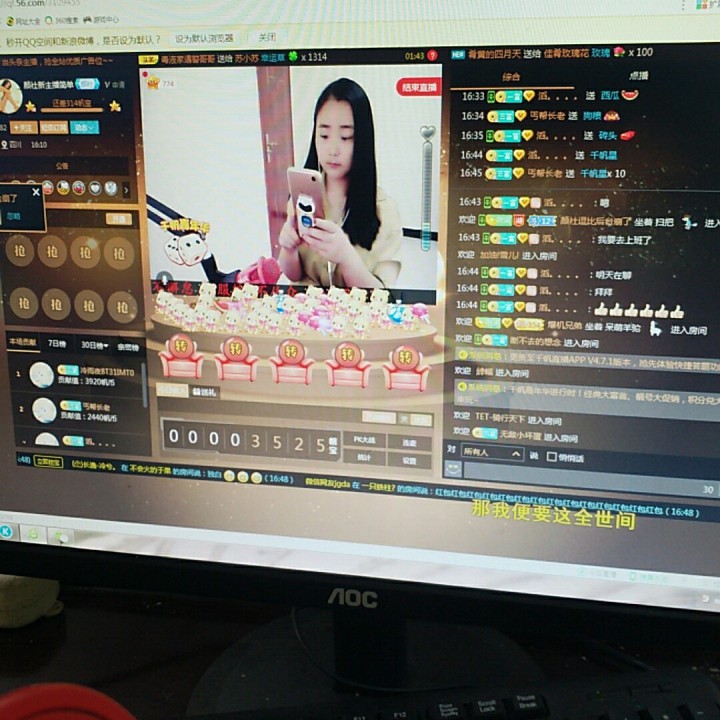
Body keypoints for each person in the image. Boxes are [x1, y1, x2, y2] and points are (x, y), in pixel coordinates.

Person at [278, 78, 402, 288]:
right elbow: (294, 275)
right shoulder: (303, 198)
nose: (332, 149)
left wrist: (346, 257)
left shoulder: (385, 211)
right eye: (324, 135)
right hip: (306, 306)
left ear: (362, 140)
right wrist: (287, 248)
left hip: (356, 309)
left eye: (345, 137)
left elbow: (383, 296)